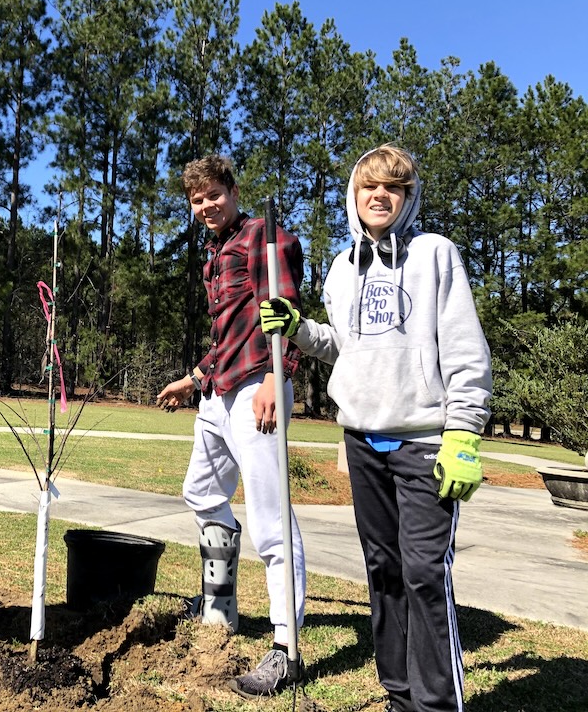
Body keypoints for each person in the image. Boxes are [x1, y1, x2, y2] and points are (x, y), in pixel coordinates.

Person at [260, 144, 492, 712]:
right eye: (369, 187)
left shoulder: (436, 254)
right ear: (354, 197)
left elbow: (466, 351)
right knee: (383, 570)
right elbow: (345, 346)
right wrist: (298, 329)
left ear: (410, 198)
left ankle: (436, 705)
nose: (380, 195)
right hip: (362, 439)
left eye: (394, 186)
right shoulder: (343, 267)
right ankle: (397, 694)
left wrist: (463, 431)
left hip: (425, 442)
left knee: (423, 574)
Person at [156, 154, 307, 696]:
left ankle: (285, 647)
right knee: (200, 491)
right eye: (196, 200)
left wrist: (276, 376)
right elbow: (226, 336)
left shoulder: (264, 237)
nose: (206, 206)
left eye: (214, 195)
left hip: (257, 389)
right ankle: (221, 603)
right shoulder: (215, 254)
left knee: (270, 518)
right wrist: (193, 378)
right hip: (220, 393)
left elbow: (283, 308)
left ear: (233, 191)